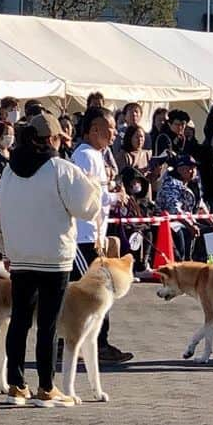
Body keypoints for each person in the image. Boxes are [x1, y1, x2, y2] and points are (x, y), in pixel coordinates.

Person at [0, 114, 101, 406]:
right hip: (54, 258)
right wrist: (97, 187)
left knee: (19, 321)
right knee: (48, 324)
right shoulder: (63, 169)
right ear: (52, 139)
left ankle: (16, 385)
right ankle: (46, 388)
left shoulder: (9, 173)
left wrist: (8, 250)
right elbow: (87, 208)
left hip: (21, 259)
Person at [70, 106, 132, 364]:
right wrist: (115, 197)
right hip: (84, 237)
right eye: (110, 129)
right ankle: (93, 344)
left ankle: (90, 342)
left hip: (95, 235)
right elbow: (88, 194)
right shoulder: (86, 155)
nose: (115, 133)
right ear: (94, 129)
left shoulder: (96, 155)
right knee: (96, 291)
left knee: (96, 291)